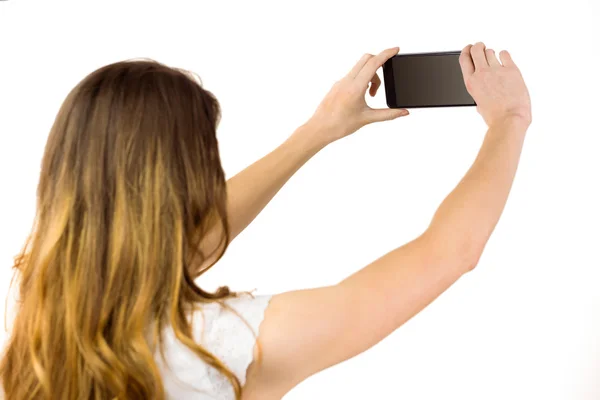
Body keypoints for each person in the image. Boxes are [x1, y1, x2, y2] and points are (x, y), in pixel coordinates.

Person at [0, 42, 531, 400]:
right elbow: (449, 252)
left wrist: (320, 130)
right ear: (187, 185)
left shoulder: (29, 303)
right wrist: (509, 121)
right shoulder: (220, 348)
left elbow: (179, 239)